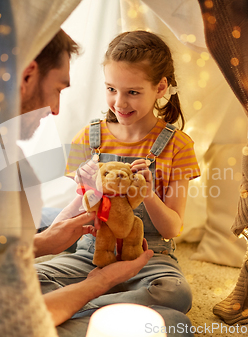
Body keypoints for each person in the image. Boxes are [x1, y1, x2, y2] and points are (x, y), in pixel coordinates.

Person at [0, 29, 154, 337]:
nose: (57, 109)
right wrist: (98, 284)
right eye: (58, 89)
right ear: (27, 76)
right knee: (161, 324)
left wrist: (42, 243)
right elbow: (15, 319)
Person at [35, 30, 200, 337]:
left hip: (150, 257)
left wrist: (148, 194)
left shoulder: (178, 145)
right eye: (111, 89)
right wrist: (90, 190)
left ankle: (76, 313)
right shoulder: (89, 137)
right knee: (29, 278)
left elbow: (171, 228)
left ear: (160, 87)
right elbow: (71, 217)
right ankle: (108, 314)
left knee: (174, 294)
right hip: (93, 252)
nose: (119, 102)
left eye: (133, 92)